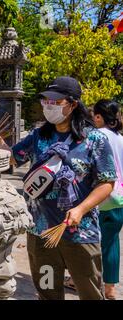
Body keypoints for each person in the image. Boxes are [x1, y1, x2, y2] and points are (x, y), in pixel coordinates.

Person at [11, 76, 116, 300]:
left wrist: (80, 209)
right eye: (46, 100)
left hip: (80, 232)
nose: (49, 105)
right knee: (48, 291)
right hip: (41, 233)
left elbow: (107, 182)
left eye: (56, 102)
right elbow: (11, 158)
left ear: (73, 104)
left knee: (89, 292)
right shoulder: (39, 137)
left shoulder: (94, 139)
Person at [92, 99, 123, 300]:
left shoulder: (96, 136)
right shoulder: (120, 137)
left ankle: (88, 280)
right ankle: (110, 289)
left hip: (100, 197)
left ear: (98, 116)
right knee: (111, 243)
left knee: (89, 243)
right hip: (119, 198)